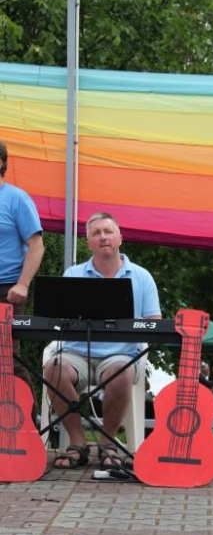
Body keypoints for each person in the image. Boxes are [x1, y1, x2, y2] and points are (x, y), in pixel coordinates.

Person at [43, 212, 161, 469]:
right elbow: (56, 319)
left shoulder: (142, 276)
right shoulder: (73, 274)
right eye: (96, 233)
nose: (103, 237)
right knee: (52, 367)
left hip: (121, 355)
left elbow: (154, 323)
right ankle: (77, 444)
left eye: (108, 232)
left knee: (121, 371)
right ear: (89, 243)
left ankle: (108, 444)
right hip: (75, 354)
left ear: (120, 238)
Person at [0, 140, 44, 409]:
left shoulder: (16, 198)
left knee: (6, 360)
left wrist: (23, 284)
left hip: (6, 290)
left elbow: (36, 245)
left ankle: (29, 421)